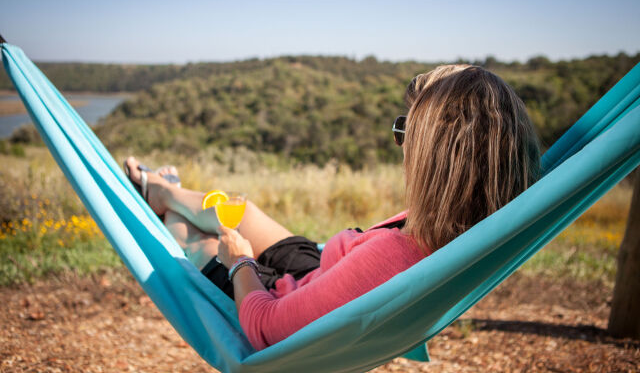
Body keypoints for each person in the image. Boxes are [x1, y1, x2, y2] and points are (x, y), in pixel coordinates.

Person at [123, 64, 541, 350]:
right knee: (240, 211)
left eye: (404, 132)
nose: (401, 146)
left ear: (435, 159)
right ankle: (162, 191)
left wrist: (239, 265)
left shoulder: (392, 257)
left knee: (193, 236)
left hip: (274, 297)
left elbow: (265, 327)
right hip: (323, 269)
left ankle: (161, 203)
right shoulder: (475, 224)